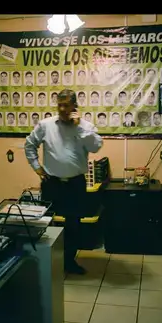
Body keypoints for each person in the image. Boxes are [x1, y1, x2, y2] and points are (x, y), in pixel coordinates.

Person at [24, 89, 103, 275]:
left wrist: (79, 128)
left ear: (75, 106)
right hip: (52, 183)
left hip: (75, 184)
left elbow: (96, 146)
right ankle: (46, 261)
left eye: (66, 105)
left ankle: (68, 262)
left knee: (74, 225)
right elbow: (29, 145)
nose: (61, 108)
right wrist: (36, 167)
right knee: (46, 223)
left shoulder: (86, 126)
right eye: (59, 104)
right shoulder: (46, 125)